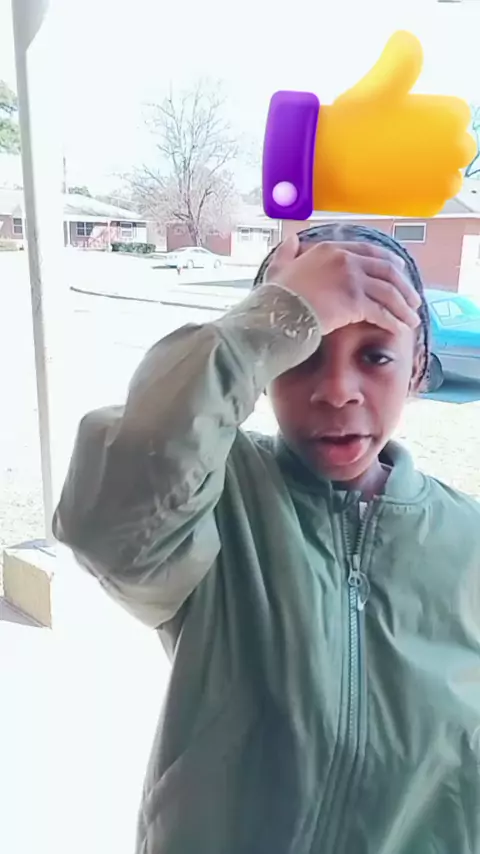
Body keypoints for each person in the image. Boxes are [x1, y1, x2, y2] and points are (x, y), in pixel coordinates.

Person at [53, 223, 480, 854]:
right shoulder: (218, 493)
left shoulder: (467, 540)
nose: (337, 391)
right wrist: (269, 321)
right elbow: (111, 525)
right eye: (303, 353)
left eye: (375, 356)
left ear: (417, 368)